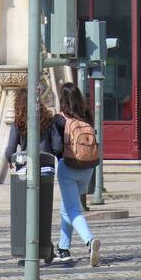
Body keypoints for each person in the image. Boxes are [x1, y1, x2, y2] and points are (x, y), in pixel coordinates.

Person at [49, 81, 101, 267]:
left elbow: (55, 147)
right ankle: (63, 249)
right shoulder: (86, 116)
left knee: (72, 210)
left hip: (68, 167)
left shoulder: (59, 119)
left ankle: (90, 241)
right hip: (87, 168)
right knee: (67, 208)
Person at [4, 88, 54, 169]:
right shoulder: (48, 120)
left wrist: (10, 160)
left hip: (25, 166)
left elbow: (10, 150)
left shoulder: (17, 124)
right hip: (46, 165)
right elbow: (57, 146)